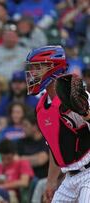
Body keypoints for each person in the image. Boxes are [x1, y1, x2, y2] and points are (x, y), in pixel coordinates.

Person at [25, 45, 90, 202]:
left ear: (53, 68)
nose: (32, 73)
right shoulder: (41, 106)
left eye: (37, 67)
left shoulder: (77, 97)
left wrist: (86, 114)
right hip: (69, 176)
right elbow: (54, 147)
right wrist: (51, 181)